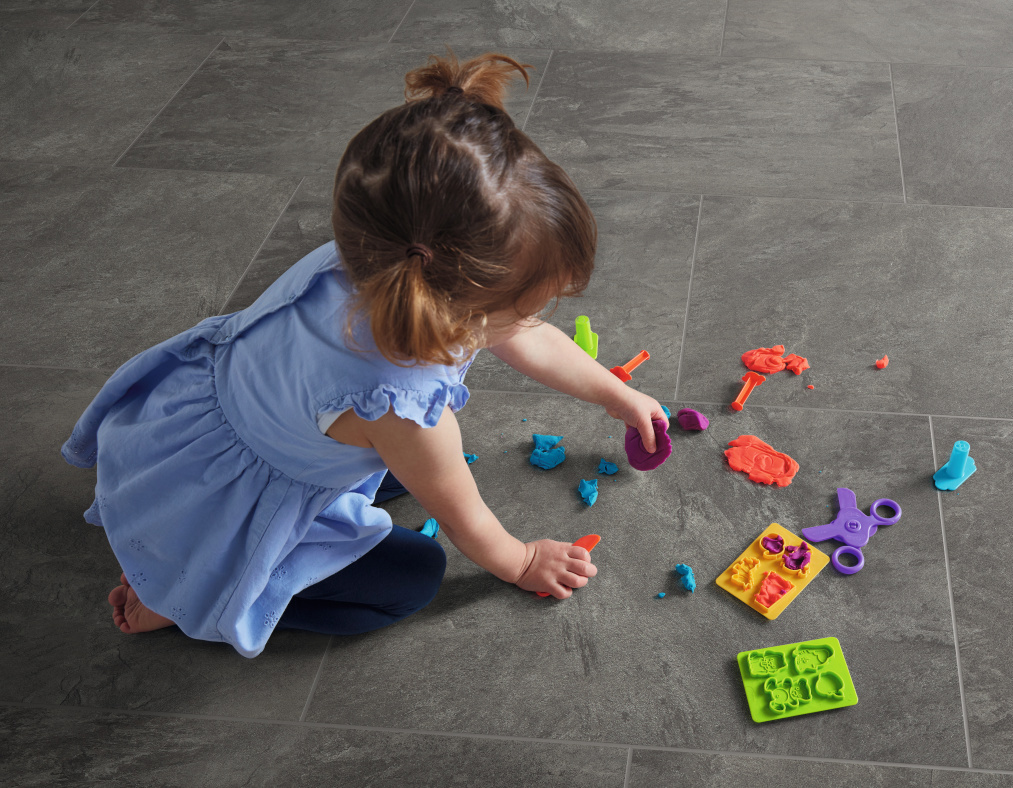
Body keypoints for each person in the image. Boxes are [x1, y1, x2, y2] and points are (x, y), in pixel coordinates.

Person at [61, 52, 665, 658]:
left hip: (179, 445)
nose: (537, 318)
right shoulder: (404, 409)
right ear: (459, 314)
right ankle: (188, 596)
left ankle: (181, 567)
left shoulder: (377, 254)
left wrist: (617, 394)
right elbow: (467, 524)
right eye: (529, 303)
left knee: (402, 472)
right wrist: (524, 560)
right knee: (414, 577)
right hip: (229, 516)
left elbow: (521, 334)